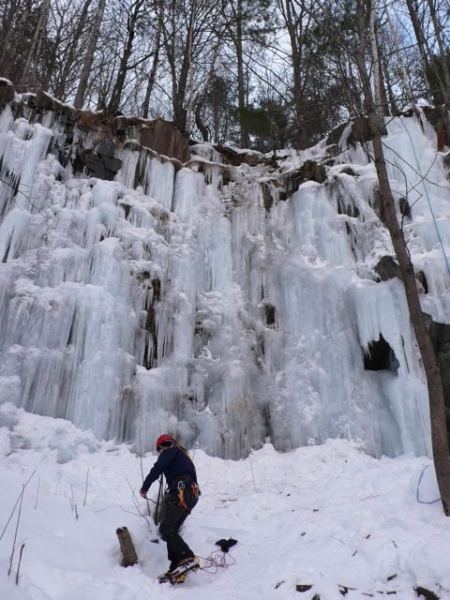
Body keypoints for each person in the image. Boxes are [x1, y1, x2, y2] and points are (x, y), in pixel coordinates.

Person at [139, 434, 200, 576]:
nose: (160, 454)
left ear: (164, 446)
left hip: (181, 491)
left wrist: (145, 487)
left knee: (166, 529)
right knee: (171, 530)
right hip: (191, 494)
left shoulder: (172, 451)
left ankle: (187, 557)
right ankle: (176, 565)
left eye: (160, 450)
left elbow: (158, 468)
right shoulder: (184, 457)